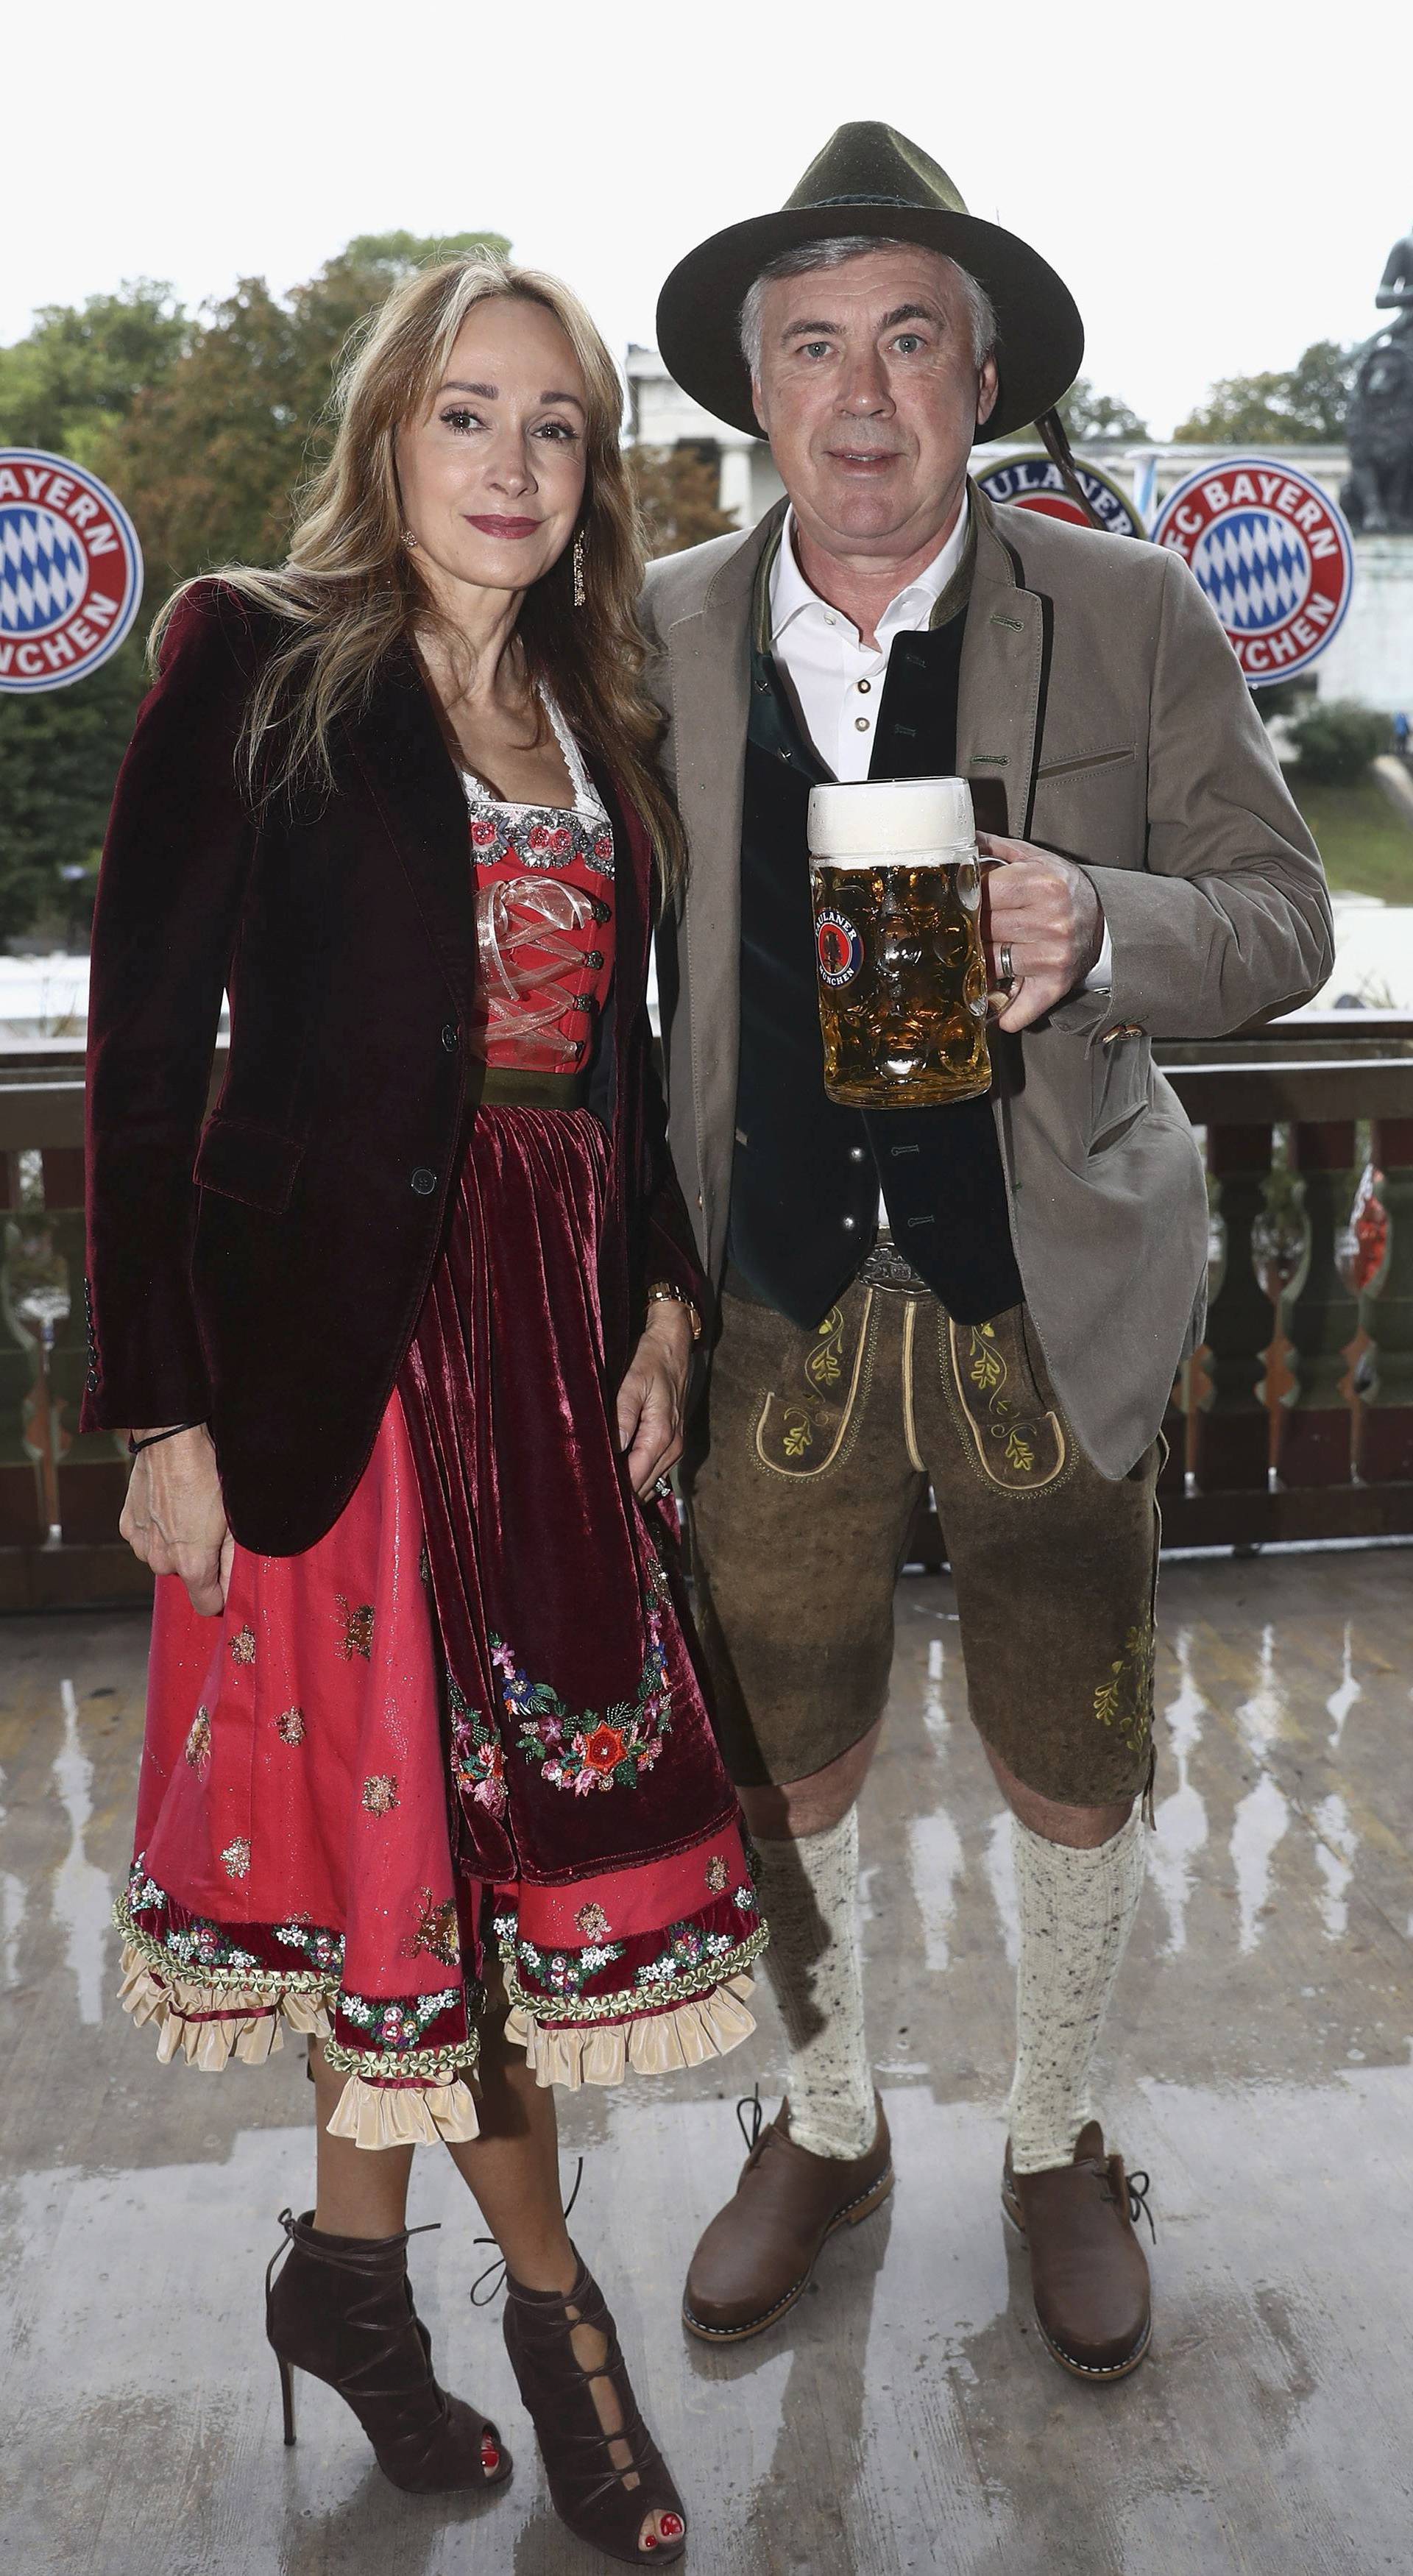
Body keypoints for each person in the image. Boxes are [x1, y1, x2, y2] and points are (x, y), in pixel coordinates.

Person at [82, 252, 771, 2563]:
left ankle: (353, 2285)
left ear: (595, 479)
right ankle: (560, 2321)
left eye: (556, 427)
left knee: (444, 1890)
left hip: (550, 1366)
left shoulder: (601, 705)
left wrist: (664, 1311)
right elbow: (142, 1044)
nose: (510, 464)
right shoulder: (257, 652)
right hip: (337, 1369)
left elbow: (621, 1070)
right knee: (427, 1889)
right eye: (466, 415)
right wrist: (154, 1406)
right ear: (391, 436)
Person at [645, 123, 1333, 2381]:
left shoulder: (1127, 611)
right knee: (787, 1752)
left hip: (1052, 1291)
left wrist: (1101, 924)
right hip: (769, 1299)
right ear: (756, 391)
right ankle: (827, 2117)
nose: (861, 397)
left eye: (910, 343)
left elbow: (1287, 921)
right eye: (814, 346)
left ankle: (1053, 2134)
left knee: (1073, 1740)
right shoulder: (653, 633)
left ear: (985, 376)